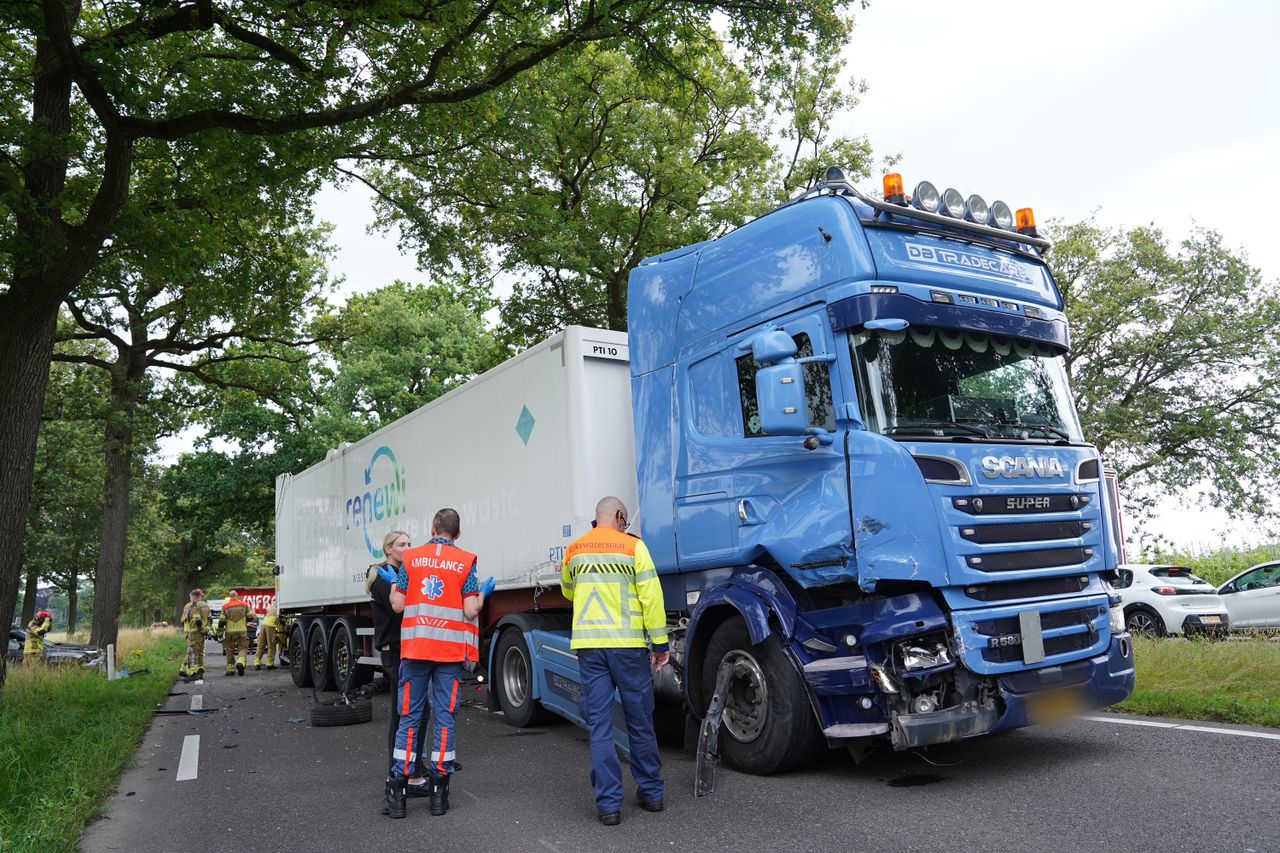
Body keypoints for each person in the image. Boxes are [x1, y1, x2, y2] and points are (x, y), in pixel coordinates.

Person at [561, 496, 669, 826]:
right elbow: (651, 595)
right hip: (628, 646)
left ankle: (609, 805)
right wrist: (660, 642)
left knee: (601, 727)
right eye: (625, 519)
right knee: (640, 720)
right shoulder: (633, 548)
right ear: (620, 516)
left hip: (590, 649)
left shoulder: (575, 550)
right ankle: (651, 793)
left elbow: (568, 591)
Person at [383, 508, 494, 819]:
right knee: (444, 719)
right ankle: (439, 795)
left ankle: (398, 793)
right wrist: (483, 594)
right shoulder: (465, 562)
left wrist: (394, 584)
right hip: (448, 655)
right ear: (457, 534)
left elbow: (398, 604)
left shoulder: (412, 558)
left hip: (416, 651)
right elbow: (471, 610)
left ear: (432, 527)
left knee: (409, 718)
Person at [366, 530, 431, 813]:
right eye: (402, 544)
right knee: (403, 714)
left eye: (409, 544)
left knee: (413, 711)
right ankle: (399, 775)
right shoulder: (383, 576)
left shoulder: (401, 573)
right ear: (388, 549)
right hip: (395, 651)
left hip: (407, 649)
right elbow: (399, 611)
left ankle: (411, 771)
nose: (408, 548)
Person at [218, 590, 258, 676]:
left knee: (229, 650)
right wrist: (245, 621)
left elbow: (222, 622)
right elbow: (251, 617)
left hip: (229, 631)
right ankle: (240, 662)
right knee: (243, 649)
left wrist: (219, 633)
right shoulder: (244, 604)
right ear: (237, 596)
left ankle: (230, 670)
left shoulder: (225, 607)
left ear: (230, 596)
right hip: (242, 630)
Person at [180, 589, 211, 676]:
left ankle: (191, 671)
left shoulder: (190, 606)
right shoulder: (206, 606)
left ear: (193, 597)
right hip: (202, 632)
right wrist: (206, 630)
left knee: (192, 651)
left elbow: (187, 619)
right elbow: (209, 619)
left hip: (192, 631)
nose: (190, 599)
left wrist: (200, 629)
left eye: (190, 597)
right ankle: (198, 668)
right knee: (200, 651)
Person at [254, 604, 281, 670]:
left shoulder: (273, 606)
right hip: (271, 626)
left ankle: (257, 662)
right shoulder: (280, 607)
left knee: (261, 645)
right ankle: (269, 664)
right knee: (271, 645)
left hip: (264, 624)